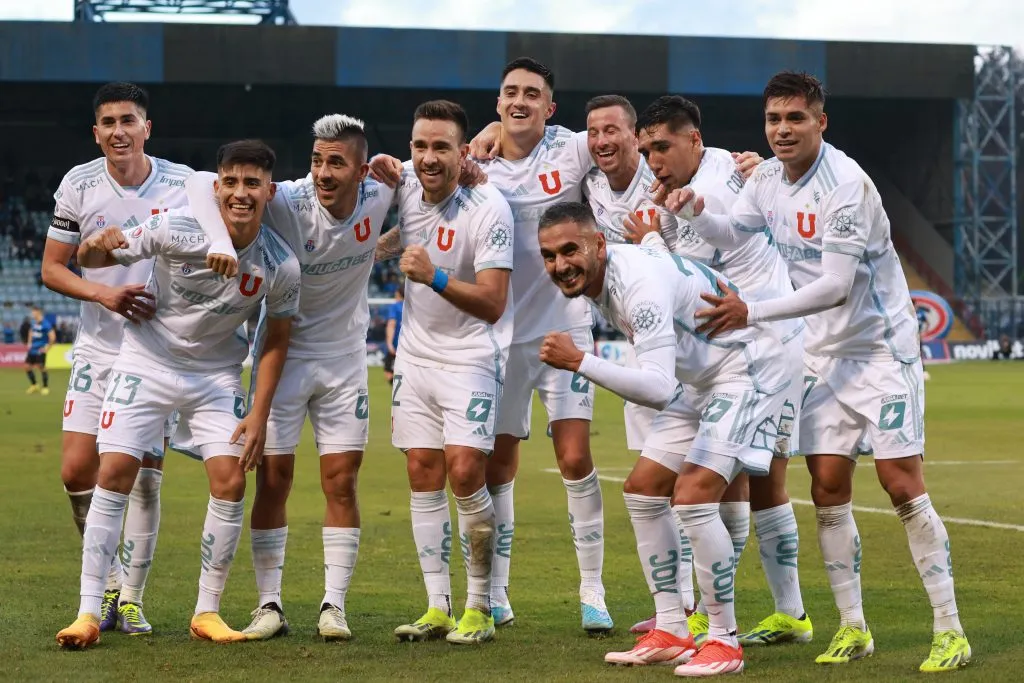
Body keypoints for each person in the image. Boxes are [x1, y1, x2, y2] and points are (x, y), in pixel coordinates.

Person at [671, 70, 971, 672]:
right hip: (821, 356)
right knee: (827, 487)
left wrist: (749, 311)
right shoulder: (768, 182)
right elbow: (734, 233)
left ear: (820, 122)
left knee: (901, 484)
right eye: (774, 120)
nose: (783, 130)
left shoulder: (846, 185)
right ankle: (853, 628)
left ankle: (949, 629)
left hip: (881, 351)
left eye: (795, 118)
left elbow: (835, 288)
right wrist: (697, 211)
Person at [371, 58, 609, 631]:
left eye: (533, 93)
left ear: (550, 108)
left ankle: (593, 591)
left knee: (574, 456)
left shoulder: (571, 150)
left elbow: (616, 143)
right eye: (510, 93)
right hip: (501, 339)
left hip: (564, 324)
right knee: (495, 467)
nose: (520, 100)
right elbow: (423, 207)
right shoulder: (473, 161)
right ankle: (495, 593)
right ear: (497, 103)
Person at [55, 139, 300, 649]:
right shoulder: (176, 225)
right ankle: (87, 612)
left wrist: (258, 412)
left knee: (230, 481)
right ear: (216, 186)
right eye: (229, 181)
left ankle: (206, 611)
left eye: (251, 183)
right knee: (115, 472)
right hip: (146, 360)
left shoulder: (279, 264)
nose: (239, 193)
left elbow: (276, 340)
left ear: (268, 191)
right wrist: (101, 242)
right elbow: (91, 257)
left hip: (215, 377)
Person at [536, 201, 794, 676]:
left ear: (599, 245)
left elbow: (658, 388)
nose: (560, 265)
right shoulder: (615, 271)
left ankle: (723, 640)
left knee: (693, 498)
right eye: (549, 256)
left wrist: (580, 362)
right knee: (643, 491)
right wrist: (653, 235)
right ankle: (673, 628)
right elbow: (658, 263)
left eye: (569, 250)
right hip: (705, 380)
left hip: (749, 371)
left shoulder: (638, 288)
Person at [186, 114, 395, 642]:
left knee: (341, 481)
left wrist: (475, 157)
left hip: (346, 359)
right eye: (317, 161)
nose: (323, 173)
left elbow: (447, 160)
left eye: (336, 163)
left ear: (362, 169)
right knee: (272, 481)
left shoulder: (385, 187)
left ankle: (334, 606)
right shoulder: (284, 199)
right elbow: (197, 186)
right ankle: (269, 605)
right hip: (282, 355)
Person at [624, 95, 811, 647]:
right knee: (743, 484)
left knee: (746, 484)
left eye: (663, 147)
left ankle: (733, 617)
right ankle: (760, 612)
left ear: (694, 141)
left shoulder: (721, 181)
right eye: (648, 150)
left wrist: (650, 239)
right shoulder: (692, 182)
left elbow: (691, 277)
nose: (654, 160)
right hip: (730, 352)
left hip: (762, 350)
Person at [41, 82, 221, 636]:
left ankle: (131, 600)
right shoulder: (78, 183)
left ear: (148, 128)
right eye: (108, 122)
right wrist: (103, 293)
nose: (119, 131)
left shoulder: (184, 184)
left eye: (129, 120)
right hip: (99, 343)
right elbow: (53, 267)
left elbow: (246, 201)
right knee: (77, 469)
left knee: (143, 476)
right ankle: (113, 578)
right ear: (96, 133)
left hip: (156, 350)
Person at [385, 100, 514, 645]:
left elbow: (493, 302)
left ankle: (481, 607)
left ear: (465, 153)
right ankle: (437, 605)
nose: (428, 159)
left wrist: (433, 276)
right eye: (420, 147)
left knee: (465, 473)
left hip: (470, 358)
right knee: (422, 473)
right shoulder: (406, 189)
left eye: (441, 148)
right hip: (414, 357)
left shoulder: (489, 206)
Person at [25, 305, 55, 395]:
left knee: (41, 367)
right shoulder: (34, 323)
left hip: (40, 349)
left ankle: (45, 387)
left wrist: (47, 348)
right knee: (27, 367)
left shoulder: (46, 324)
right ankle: (34, 385)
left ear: (38, 312)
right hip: (32, 349)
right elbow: (31, 331)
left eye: (33, 312)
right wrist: (29, 342)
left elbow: (52, 337)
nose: (32, 314)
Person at [384, 281, 405, 385]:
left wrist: (389, 343)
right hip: (409, 346)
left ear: (398, 293)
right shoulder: (412, 306)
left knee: (389, 373)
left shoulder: (395, 306)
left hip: (396, 345)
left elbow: (391, 324)